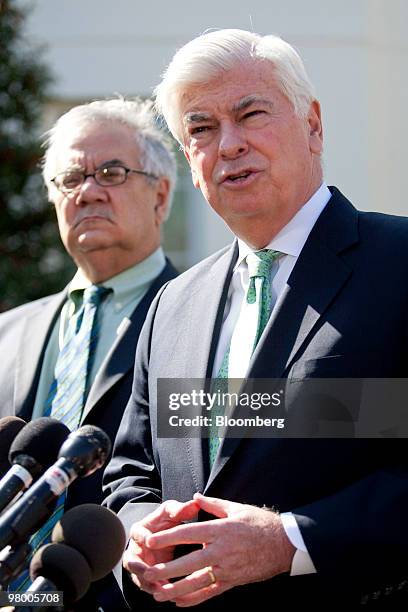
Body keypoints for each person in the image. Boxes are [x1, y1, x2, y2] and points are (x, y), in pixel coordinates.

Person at [103, 30, 408, 609]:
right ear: (191, 162)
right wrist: (142, 533)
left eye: (251, 114)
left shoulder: (399, 263)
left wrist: (289, 541)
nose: (230, 144)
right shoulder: (174, 305)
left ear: (313, 125)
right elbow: (132, 474)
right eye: (202, 129)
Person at [0, 97, 178, 610]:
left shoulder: (209, 318)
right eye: (71, 178)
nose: (89, 191)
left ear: (161, 196)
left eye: (112, 172)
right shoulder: (9, 333)